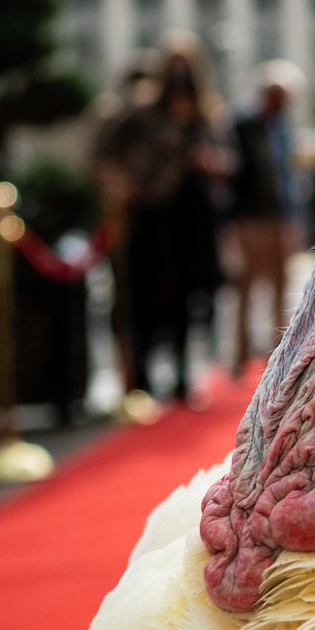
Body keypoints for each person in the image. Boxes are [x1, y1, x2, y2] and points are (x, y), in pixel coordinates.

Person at [94, 32, 231, 406]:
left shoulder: (206, 113)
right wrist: (119, 183)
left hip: (193, 215)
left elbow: (228, 163)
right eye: (174, 71)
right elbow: (103, 149)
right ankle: (140, 376)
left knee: (191, 297)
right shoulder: (140, 111)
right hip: (152, 213)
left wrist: (209, 162)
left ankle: (185, 375)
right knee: (146, 294)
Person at [224, 59, 305, 377]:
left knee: (280, 283)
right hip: (251, 216)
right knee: (247, 284)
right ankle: (239, 355)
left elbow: (287, 174)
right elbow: (239, 173)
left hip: (279, 214)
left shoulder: (283, 125)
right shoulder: (243, 123)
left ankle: (276, 353)